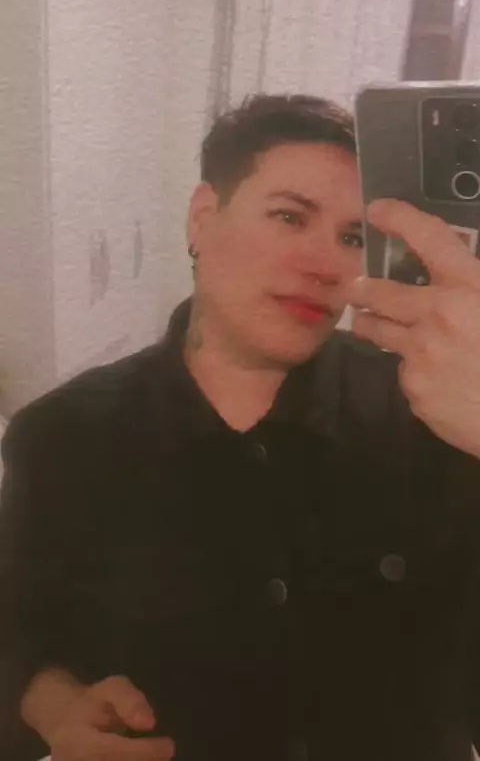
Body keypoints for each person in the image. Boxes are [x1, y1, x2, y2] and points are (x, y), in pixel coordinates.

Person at [2, 94, 480, 761]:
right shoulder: (63, 437)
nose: (327, 266)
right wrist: (49, 702)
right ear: (203, 218)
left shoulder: (436, 417)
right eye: (290, 217)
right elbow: (19, 623)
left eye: (352, 238)